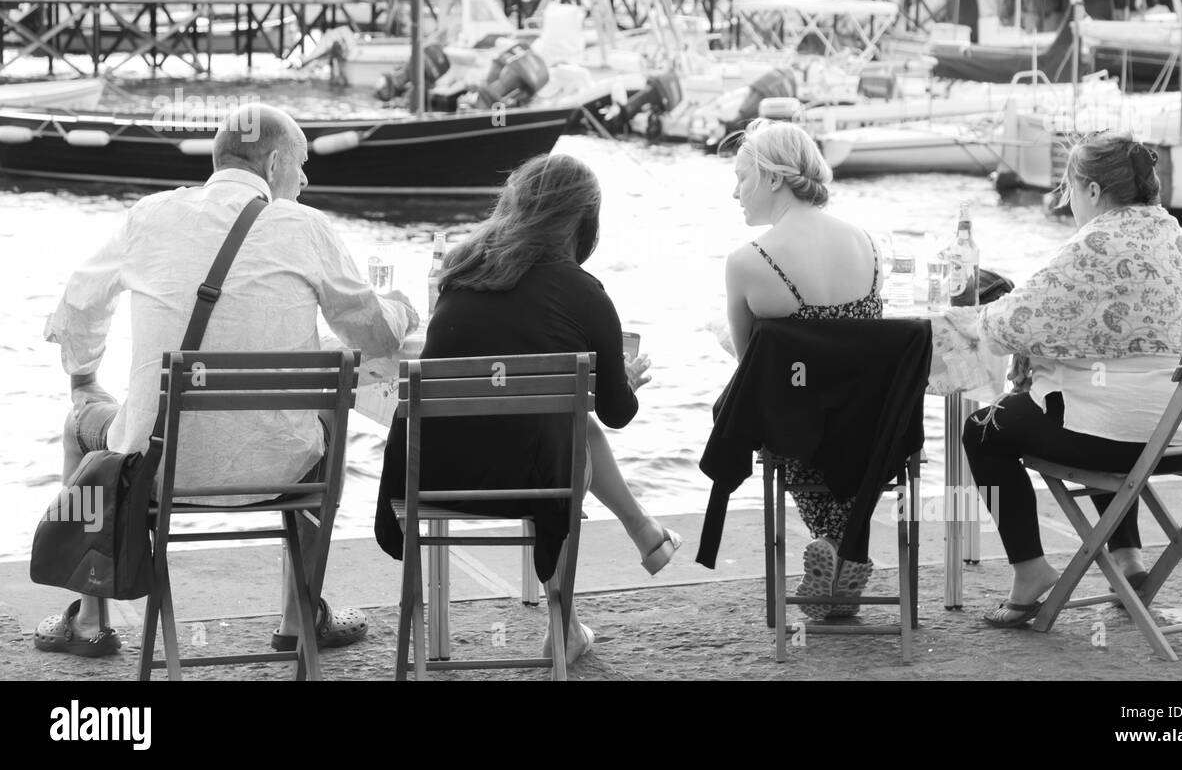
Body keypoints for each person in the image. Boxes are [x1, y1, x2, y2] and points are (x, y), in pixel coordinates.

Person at [40, 104, 419, 657]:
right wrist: (403, 310)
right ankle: (299, 616)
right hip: (283, 473)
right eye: (302, 164)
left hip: (152, 469)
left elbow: (76, 308)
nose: (306, 179)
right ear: (272, 164)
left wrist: (84, 381)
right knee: (328, 416)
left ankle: (91, 619)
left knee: (79, 426)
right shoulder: (307, 227)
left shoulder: (148, 215)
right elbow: (377, 336)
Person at [374, 152, 680, 664]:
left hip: (423, 481)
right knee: (570, 426)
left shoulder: (460, 271)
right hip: (536, 489)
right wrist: (621, 379)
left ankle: (640, 536)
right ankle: (565, 629)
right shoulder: (585, 293)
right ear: (584, 221)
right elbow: (618, 413)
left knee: (568, 419)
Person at [960, 133, 1182, 628]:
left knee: (983, 429)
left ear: (1090, 189)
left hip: (1137, 435)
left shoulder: (1097, 240)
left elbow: (1006, 326)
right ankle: (1127, 560)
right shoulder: (1175, 233)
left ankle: (1030, 570)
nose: (1069, 206)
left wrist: (963, 316)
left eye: (1068, 192)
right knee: (1106, 400)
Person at [723, 120, 885, 617]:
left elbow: (755, 365)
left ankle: (837, 549)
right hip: (871, 431)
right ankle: (843, 548)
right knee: (831, 409)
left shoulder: (747, 261)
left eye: (742, 177)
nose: (735, 193)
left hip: (799, 435)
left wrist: (717, 335)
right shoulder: (869, 244)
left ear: (774, 179)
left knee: (787, 408)